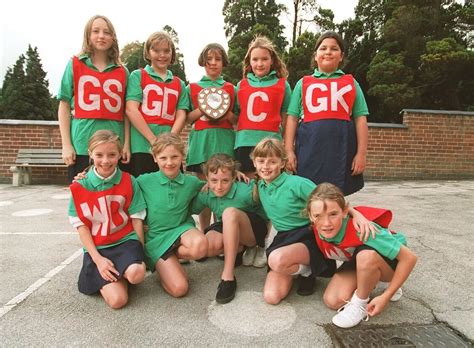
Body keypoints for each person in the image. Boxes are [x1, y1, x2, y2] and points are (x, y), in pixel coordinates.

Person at [251, 138, 375, 305]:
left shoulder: (297, 183)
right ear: (254, 163)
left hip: (308, 236)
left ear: (282, 163)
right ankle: (303, 270)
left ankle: (309, 270)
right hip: (284, 238)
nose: (265, 166)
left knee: (275, 259)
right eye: (261, 161)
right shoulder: (259, 185)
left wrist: (356, 214)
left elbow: (331, 199)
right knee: (271, 297)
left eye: (272, 161)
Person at [306, 183, 417, 328]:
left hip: (389, 261)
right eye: (318, 216)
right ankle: (371, 279)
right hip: (358, 258)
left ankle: (361, 303)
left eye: (333, 214)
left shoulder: (363, 229)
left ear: (344, 212)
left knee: (366, 256)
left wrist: (386, 296)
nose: (326, 223)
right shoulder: (317, 226)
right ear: (310, 216)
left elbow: (409, 258)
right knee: (333, 300)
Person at [68, 130, 146, 309]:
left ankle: (123, 272)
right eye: (99, 155)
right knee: (118, 301)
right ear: (90, 154)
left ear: (119, 154)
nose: (105, 160)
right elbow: (81, 226)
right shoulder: (80, 185)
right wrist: (98, 260)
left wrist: (140, 252)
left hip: (125, 241)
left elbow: (136, 219)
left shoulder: (129, 180)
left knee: (137, 274)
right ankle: (116, 276)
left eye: (112, 155)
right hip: (99, 247)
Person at [285, 31, 369, 196]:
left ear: (341, 56)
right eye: (323, 48)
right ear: (315, 55)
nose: (328, 52)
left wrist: (361, 154)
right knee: (308, 195)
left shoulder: (351, 83)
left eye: (334, 48)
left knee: (336, 197)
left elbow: (360, 120)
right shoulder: (303, 83)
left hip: (341, 150)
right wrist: (289, 150)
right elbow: (292, 119)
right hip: (309, 150)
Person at [234, 36, 292, 264]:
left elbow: (288, 116)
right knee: (248, 193)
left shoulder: (282, 83)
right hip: (244, 143)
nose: (259, 64)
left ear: (272, 60)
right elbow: (234, 114)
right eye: (255, 59)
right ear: (249, 61)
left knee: (266, 192)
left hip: (270, 144)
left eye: (264, 59)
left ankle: (263, 241)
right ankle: (249, 242)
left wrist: (288, 146)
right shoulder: (241, 84)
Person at [58, 15, 130, 183]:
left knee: (115, 195)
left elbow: (127, 111)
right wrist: (66, 144)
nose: (101, 36)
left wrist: (126, 144)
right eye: (95, 31)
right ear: (87, 36)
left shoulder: (122, 71)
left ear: (113, 37)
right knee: (83, 194)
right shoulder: (75, 64)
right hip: (82, 144)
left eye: (106, 32)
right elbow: (64, 105)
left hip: (114, 145)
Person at [136, 133, 207, 298]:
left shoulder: (191, 182)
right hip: (156, 238)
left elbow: (216, 183)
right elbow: (118, 186)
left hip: (181, 229)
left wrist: (236, 177)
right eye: (163, 158)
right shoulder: (143, 181)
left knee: (200, 247)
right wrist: (85, 178)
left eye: (175, 156)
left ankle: (172, 258)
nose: (169, 162)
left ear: (183, 156)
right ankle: (163, 267)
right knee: (180, 289)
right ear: (155, 158)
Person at [191, 154, 268, 304]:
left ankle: (228, 277)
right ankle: (237, 249)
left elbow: (270, 206)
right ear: (206, 178)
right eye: (213, 180)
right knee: (206, 246)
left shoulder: (246, 189)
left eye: (225, 180)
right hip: (227, 225)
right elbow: (188, 211)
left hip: (252, 230)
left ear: (233, 178)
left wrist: (264, 243)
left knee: (229, 212)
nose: (218, 187)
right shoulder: (207, 192)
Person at [186, 43, 237, 231]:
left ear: (224, 62)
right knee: (204, 188)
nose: (213, 63)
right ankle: (205, 231)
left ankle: (221, 231)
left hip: (224, 140)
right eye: (209, 60)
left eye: (218, 59)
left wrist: (225, 113)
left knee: (222, 186)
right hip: (202, 141)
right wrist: (203, 109)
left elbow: (237, 118)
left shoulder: (232, 88)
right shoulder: (192, 87)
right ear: (203, 62)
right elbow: (186, 119)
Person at [126, 31, 189, 177]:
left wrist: (169, 141)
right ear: (148, 53)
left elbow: (181, 114)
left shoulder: (179, 84)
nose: (162, 55)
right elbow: (131, 110)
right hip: (142, 146)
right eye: (156, 50)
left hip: (169, 151)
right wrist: (153, 140)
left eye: (166, 51)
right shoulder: (138, 76)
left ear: (172, 53)